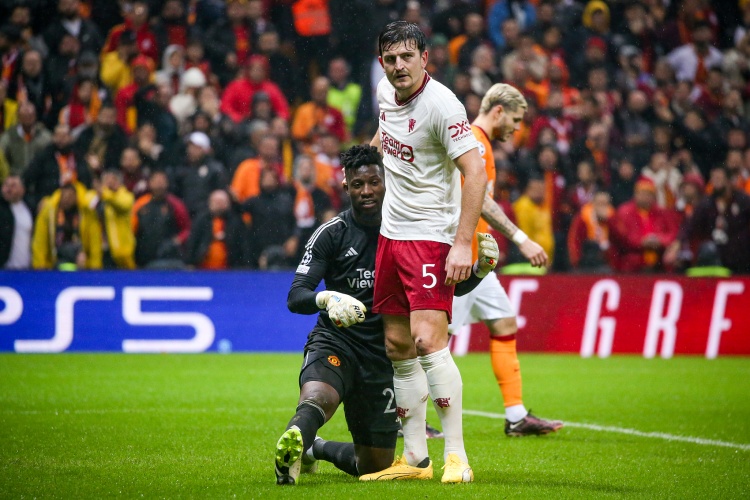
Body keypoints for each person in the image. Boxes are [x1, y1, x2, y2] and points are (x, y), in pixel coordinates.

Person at [274, 145, 500, 485]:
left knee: (374, 466)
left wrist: (479, 270)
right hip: (338, 342)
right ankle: (291, 446)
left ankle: (312, 448)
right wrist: (327, 298)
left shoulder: (411, 234)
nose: (366, 191)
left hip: (385, 359)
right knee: (318, 398)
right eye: (357, 184)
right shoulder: (332, 233)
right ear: (346, 186)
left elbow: (438, 290)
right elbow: (296, 296)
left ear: (387, 182)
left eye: (373, 182)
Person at [363, 21, 487, 483]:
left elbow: (475, 173)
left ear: (424, 58)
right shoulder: (384, 92)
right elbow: (385, 135)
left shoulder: (442, 105)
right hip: (391, 235)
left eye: (407, 57)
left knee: (427, 341)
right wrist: (366, 160)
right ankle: (414, 458)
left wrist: (462, 242)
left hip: (432, 235)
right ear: (382, 62)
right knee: (397, 345)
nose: (399, 66)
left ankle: (457, 456)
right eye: (391, 58)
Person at [447, 83, 563, 436]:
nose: (517, 128)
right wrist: (521, 239)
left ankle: (515, 416)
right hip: (461, 259)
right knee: (431, 342)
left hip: (478, 259)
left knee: (504, 322)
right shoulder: (475, 143)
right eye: (515, 120)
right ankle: (406, 419)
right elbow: (479, 200)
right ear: (498, 111)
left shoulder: (480, 142)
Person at [32, 183, 102, 270]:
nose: (67, 199)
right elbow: (40, 242)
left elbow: (95, 243)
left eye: (70, 196)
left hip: (80, 260)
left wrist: (95, 269)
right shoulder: (49, 212)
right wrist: (39, 267)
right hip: (56, 259)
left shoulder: (86, 213)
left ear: (76, 196)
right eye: (64, 196)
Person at [0, 175, 33, 269]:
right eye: (6, 185)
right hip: (4, 268)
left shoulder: (30, 208)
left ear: (22, 189)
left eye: (13, 185)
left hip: (27, 269)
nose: (8, 189)